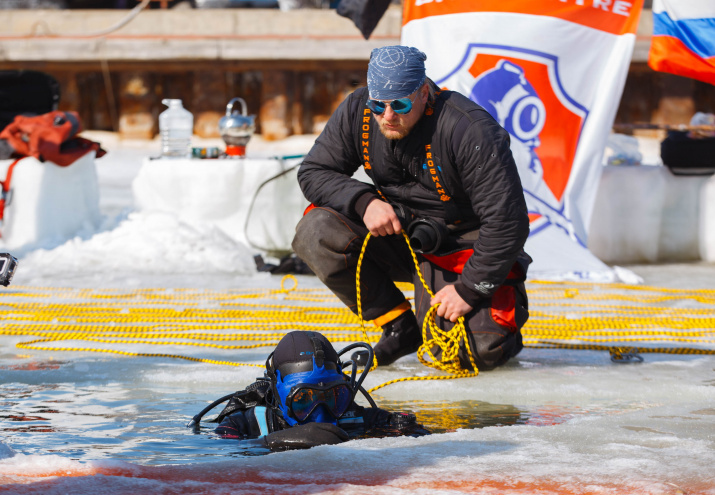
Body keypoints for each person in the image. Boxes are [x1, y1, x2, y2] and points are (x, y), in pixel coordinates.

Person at [292, 45, 531, 371]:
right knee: (315, 231)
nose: (387, 116)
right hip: (399, 235)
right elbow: (314, 171)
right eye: (378, 105)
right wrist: (365, 202)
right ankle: (398, 325)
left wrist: (468, 290)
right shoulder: (358, 111)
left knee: (472, 354)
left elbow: (507, 222)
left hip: (460, 248)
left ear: (423, 93)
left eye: (400, 105)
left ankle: (488, 319)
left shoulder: (469, 129)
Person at [189, 331, 428, 451]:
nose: (321, 414)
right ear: (277, 393)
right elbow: (215, 452)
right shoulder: (245, 424)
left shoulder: (352, 417)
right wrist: (275, 442)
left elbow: (431, 438)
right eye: (304, 399)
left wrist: (403, 426)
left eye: (334, 396)